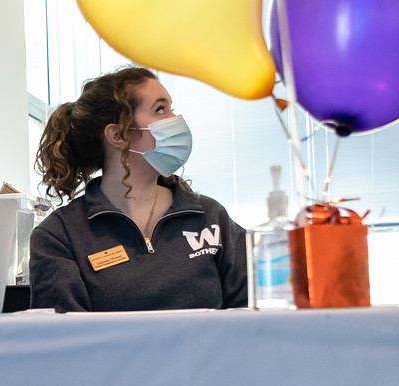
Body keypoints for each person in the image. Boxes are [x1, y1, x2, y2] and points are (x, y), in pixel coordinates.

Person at [28, 67, 247, 312]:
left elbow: (254, 317)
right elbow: (64, 341)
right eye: (160, 109)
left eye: (171, 108)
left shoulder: (210, 218)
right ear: (118, 135)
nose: (176, 119)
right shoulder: (60, 236)